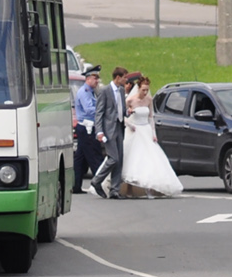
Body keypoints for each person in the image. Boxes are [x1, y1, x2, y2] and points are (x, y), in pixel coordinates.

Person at [119, 74, 183, 198]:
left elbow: (151, 117)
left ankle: (150, 187)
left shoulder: (149, 99)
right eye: (143, 90)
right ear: (138, 88)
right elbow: (122, 116)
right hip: (135, 130)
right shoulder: (130, 100)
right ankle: (129, 188)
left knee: (150, 159)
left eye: (147, 90)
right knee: (133, 159)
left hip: (146, 130)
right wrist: (130, 125)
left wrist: (153, 134)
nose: (145, 92)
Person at [90, 67, 132, 199]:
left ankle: (114, 189)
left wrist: (127, 112)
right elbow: (99, 112)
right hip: (108, 130)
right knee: (113, 158)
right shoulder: (105, 91)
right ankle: (97, 181)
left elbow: (121, 109)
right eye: (125, 77)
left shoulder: (120, 90)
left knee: (119, 160)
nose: (126, 80)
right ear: (118, 77)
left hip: (119, 127)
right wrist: (99, 131)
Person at [72, 67, 104, 195]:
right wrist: (103, 111)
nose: (97, 81)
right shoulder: (85, 92)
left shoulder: (90, 91)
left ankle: (76, 185)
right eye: (95, 78)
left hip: (85, 127)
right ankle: (100, 184)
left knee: (80, 158)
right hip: (87, 128)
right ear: (88, 78)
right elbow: (89, 109)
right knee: (95, 156)